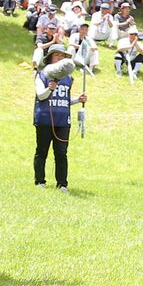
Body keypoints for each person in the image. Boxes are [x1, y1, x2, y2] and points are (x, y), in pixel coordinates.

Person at [33, 44, 87, 192]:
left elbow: (64, 100)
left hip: (63, 121)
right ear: (50, 58)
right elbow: (40, 95)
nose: (60, 58)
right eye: (57, 55)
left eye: (62, 56)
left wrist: (78, 100)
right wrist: (49, 88)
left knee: (61, 153)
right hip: (44, 119)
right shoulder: (42, 74)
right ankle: (39, 181)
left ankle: (62, 184)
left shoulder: (69, 78)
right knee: (42, 151)